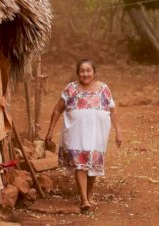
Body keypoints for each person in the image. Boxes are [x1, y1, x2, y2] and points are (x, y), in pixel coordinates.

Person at [45, 59, 122, 211]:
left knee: (93, 164)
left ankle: (89, 195)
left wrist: (118, 131)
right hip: (76, 133)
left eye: (88, 71)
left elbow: (112, 110)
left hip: (97, 134)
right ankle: (84, 199)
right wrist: (50, 130)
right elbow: (57, 109)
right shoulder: (71, 88)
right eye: (82, 71)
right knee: (80, 164)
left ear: (94, 72)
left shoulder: (104, 89)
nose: (85, 74)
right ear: (78, 73)